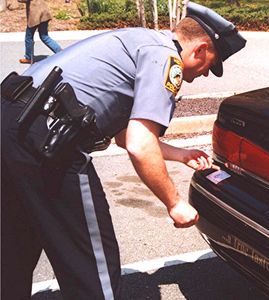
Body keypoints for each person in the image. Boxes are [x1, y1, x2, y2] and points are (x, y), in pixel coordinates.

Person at [1, 2, 246, 299]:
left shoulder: (139, 38)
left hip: (12, 119)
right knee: (93, 265)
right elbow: (139, 145)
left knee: (15, 246)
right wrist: (175, 202)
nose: (207, 74)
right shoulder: (167, 60)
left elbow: (123, 134)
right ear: (200, 49)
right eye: (212, 65)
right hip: (48, 137)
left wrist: (180, 154)